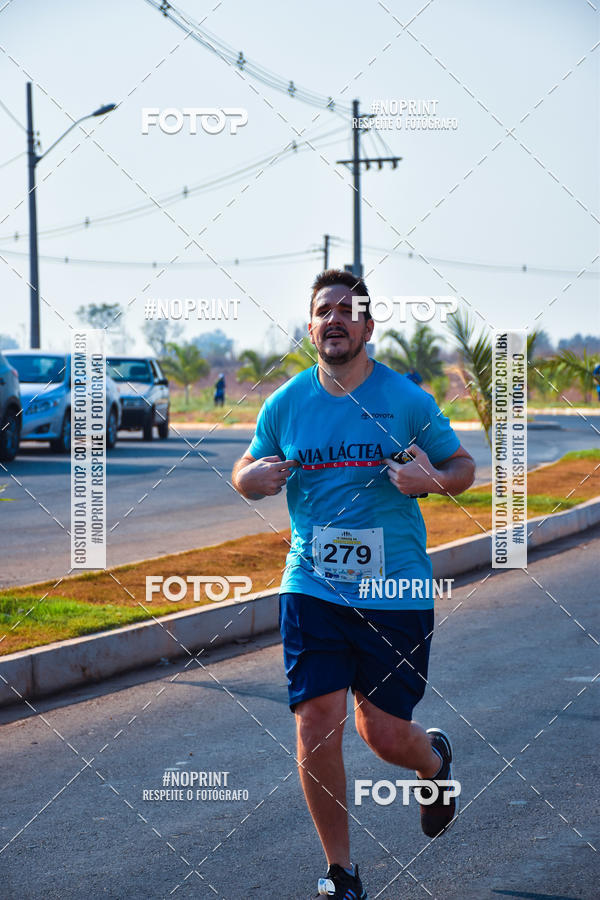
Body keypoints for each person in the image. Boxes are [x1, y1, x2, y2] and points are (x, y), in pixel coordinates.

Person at [231, 269, 475, 899]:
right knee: (317, 722)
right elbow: (247, 464)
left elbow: (462, 467)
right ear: (310, 325)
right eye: (323, 310)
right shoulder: (285, 403)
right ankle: (341, 874)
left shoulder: (407, 400)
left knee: (384, 734)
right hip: (311, 585)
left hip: (394, 592)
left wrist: (431, 481)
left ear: (368, 326)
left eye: (348, 309)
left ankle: (433, 762)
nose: (334, 318)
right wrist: (246, 479)